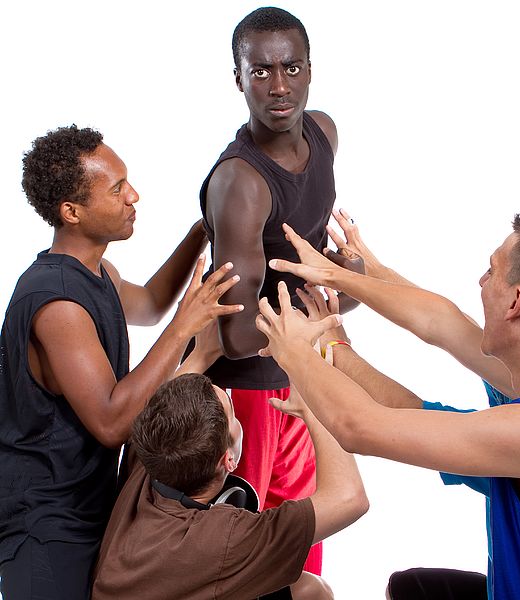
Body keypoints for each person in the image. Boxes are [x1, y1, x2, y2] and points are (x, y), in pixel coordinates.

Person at [258, 205, 520, 599]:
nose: (481, 280)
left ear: (517, 303)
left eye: (492, 271)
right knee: (412, 588)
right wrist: (341, 289)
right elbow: (441, 324)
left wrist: (293, 348)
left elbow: (360, 427)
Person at [0, 125, 241, 600]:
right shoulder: (58, 304)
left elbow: (151, 303)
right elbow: (111, 421)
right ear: (71, 212)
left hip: (89, 509)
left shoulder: (96, 271)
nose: (134, 195)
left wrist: (200, 232)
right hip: (45, 528)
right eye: (116, 189)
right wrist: (185, 328)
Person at [198, 6, 360, 575]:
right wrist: (330, 290)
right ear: (238, 77)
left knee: (305, 543)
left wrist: (346, 272)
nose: (279, 85)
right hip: (248, 393)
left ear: (311, 70)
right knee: (248, 553)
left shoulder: (324, 132)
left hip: (303, 365)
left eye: (291, 67)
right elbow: (238, 337)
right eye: (260, 71)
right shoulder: (240, 183)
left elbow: (325, 273)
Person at [92, 370, 368, 600]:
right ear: (230, 459)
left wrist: (204, 344)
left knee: (308, 588)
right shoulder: (224, 538)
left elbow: (177, 386)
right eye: (233, 413)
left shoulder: (150, 458)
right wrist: (316, 399)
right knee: (318, 593)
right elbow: (349, 498)